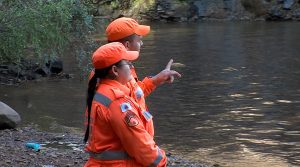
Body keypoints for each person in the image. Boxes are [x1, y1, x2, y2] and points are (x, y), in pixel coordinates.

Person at [85, 17, 181, 142]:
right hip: (127, 150)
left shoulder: (115, 69)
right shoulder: (117, 73)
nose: (142, 44)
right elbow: (121, 106)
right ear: (127, 45)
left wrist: (155, 80)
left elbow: (133, 95)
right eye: (139, 40)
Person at [84, 42, 167, 167]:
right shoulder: (116, 101)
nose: (131, 66)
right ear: (115, 70)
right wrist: (161, 161)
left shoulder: (100, 91)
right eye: (128, 63)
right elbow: (140, 145)